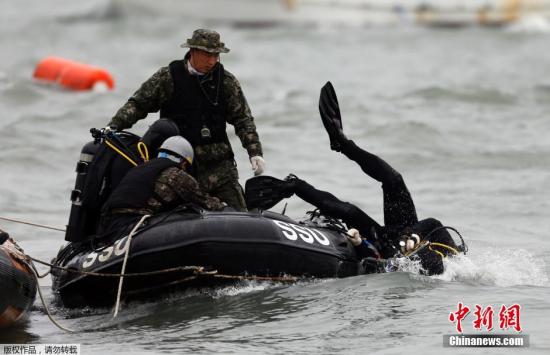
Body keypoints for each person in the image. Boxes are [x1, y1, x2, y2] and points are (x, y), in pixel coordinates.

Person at [281, 83, 461, 275]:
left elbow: (377, 261)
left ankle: (294, 185)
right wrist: (413, 235)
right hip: (405, 229)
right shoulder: (455, 261)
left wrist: (359, 243)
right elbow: (434, 224)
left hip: (385, 247)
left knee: (349, 211)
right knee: (394, 181)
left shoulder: (410, 266)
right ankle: (342, 143)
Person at [106, 29, 264, 211]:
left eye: (216, 56)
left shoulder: (227, 82)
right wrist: (113, 127)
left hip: (220, 168)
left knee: (240, 217)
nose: (212, 61)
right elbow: (138, 105)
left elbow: (243, 120)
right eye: (207, 55)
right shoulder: (167, 77)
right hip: (179, 168)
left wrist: (255, 152)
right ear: (193, 51)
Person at [98, 136, 226, 239]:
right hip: (133, 225)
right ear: (184, 162)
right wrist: (227, 208)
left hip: (109, 225)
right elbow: (207, 203)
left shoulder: (141, 168)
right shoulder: (176, 174)